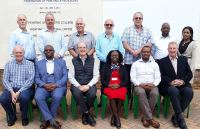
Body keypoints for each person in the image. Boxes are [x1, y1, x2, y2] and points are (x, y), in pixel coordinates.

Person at [158, 42, 193, 129]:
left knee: (189, 92)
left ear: (177, 49)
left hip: (182, 85)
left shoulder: (183, 59)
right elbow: (160, 76)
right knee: (174, 91)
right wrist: (171, 82)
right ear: (168, 49)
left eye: (174, 48)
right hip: (169, 86)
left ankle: (176, 116)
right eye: (171, 48)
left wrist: (183, 81)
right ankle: (181, 119)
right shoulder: (162, 61)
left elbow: (189, 74)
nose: (172, 50)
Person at [122, 12, 154, 100]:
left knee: (142, 79)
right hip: (129, 60)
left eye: (140, 18)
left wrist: (138, 51)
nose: (138, 20)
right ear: (133, 19)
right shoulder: (127, 29)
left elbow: (149, 43)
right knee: (128, 81)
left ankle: (142, 97)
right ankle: (128, 98)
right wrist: (133, 52)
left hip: (142, 61)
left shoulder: (148, 31)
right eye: (136, 18)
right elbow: (124, 43)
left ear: (142, 19)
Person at [0, 45, 35, 126]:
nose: (19, 54)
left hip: (25, 89)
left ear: (23, 53)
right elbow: (5, 80)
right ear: (13, 53)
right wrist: (12, 92)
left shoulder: (30, 64)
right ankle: (12, 117)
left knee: (24, 97)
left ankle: (24, 117)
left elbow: (30, 80)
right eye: (17, 53)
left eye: (20, 52)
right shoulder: (8, 64)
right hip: (11, 89)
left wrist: (18, 92)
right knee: (2, 99)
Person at [34, 45, 68, 129]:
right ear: (44, 52)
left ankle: (47, 120)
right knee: (38, 97)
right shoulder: (39, 63)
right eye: (46, 50)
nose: (48, 51)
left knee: (57, 96)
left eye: (50, 50)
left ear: (53, 51)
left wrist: (56, 84)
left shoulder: (61, 62)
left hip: (57, 85)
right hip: (43, 86)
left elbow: (65, 76)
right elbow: (36, 78)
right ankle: (52, 120)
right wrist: (44, 85)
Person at [68, 42, 99, 127]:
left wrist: (88, 85)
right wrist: (78, 86)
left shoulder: (93, 60)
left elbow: (96, 76)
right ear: (77, 50)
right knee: (77, 93)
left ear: (87, 49)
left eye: (84, 47)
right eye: (80, 47)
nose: (82, 49)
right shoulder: (73, 61)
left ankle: (84, 115)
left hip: (90, 84)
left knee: (92, 94)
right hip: (77, 84)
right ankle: (87, 114)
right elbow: (70, 76)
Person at [130, 46, 161, 128]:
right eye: (144, 52)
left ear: (150, 53)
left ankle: (145, 118)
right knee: (141, 92)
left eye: (148, 52)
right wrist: (140, 84)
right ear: (141, 53)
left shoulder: (155, 64)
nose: (146, 53)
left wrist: (154, 84)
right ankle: (150, 118)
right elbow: (133, 78)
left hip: (152, 85)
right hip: (139, 85)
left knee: (155, 93)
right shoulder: (135, 64)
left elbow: (158, 78)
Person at [101, 50, 128, 129]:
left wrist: (119, 85)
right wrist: (109, 85)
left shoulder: (122, 67)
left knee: (121, 93)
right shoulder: (105, 67)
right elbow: (103, 80)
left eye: (116, 55)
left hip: (120, 86)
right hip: (108, 87)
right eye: (113, 55)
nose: (114, 57)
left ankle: (114, 116)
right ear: (110, 57)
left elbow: (126, 80)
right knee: (112, 95)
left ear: (119, 57)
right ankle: (117, 117)